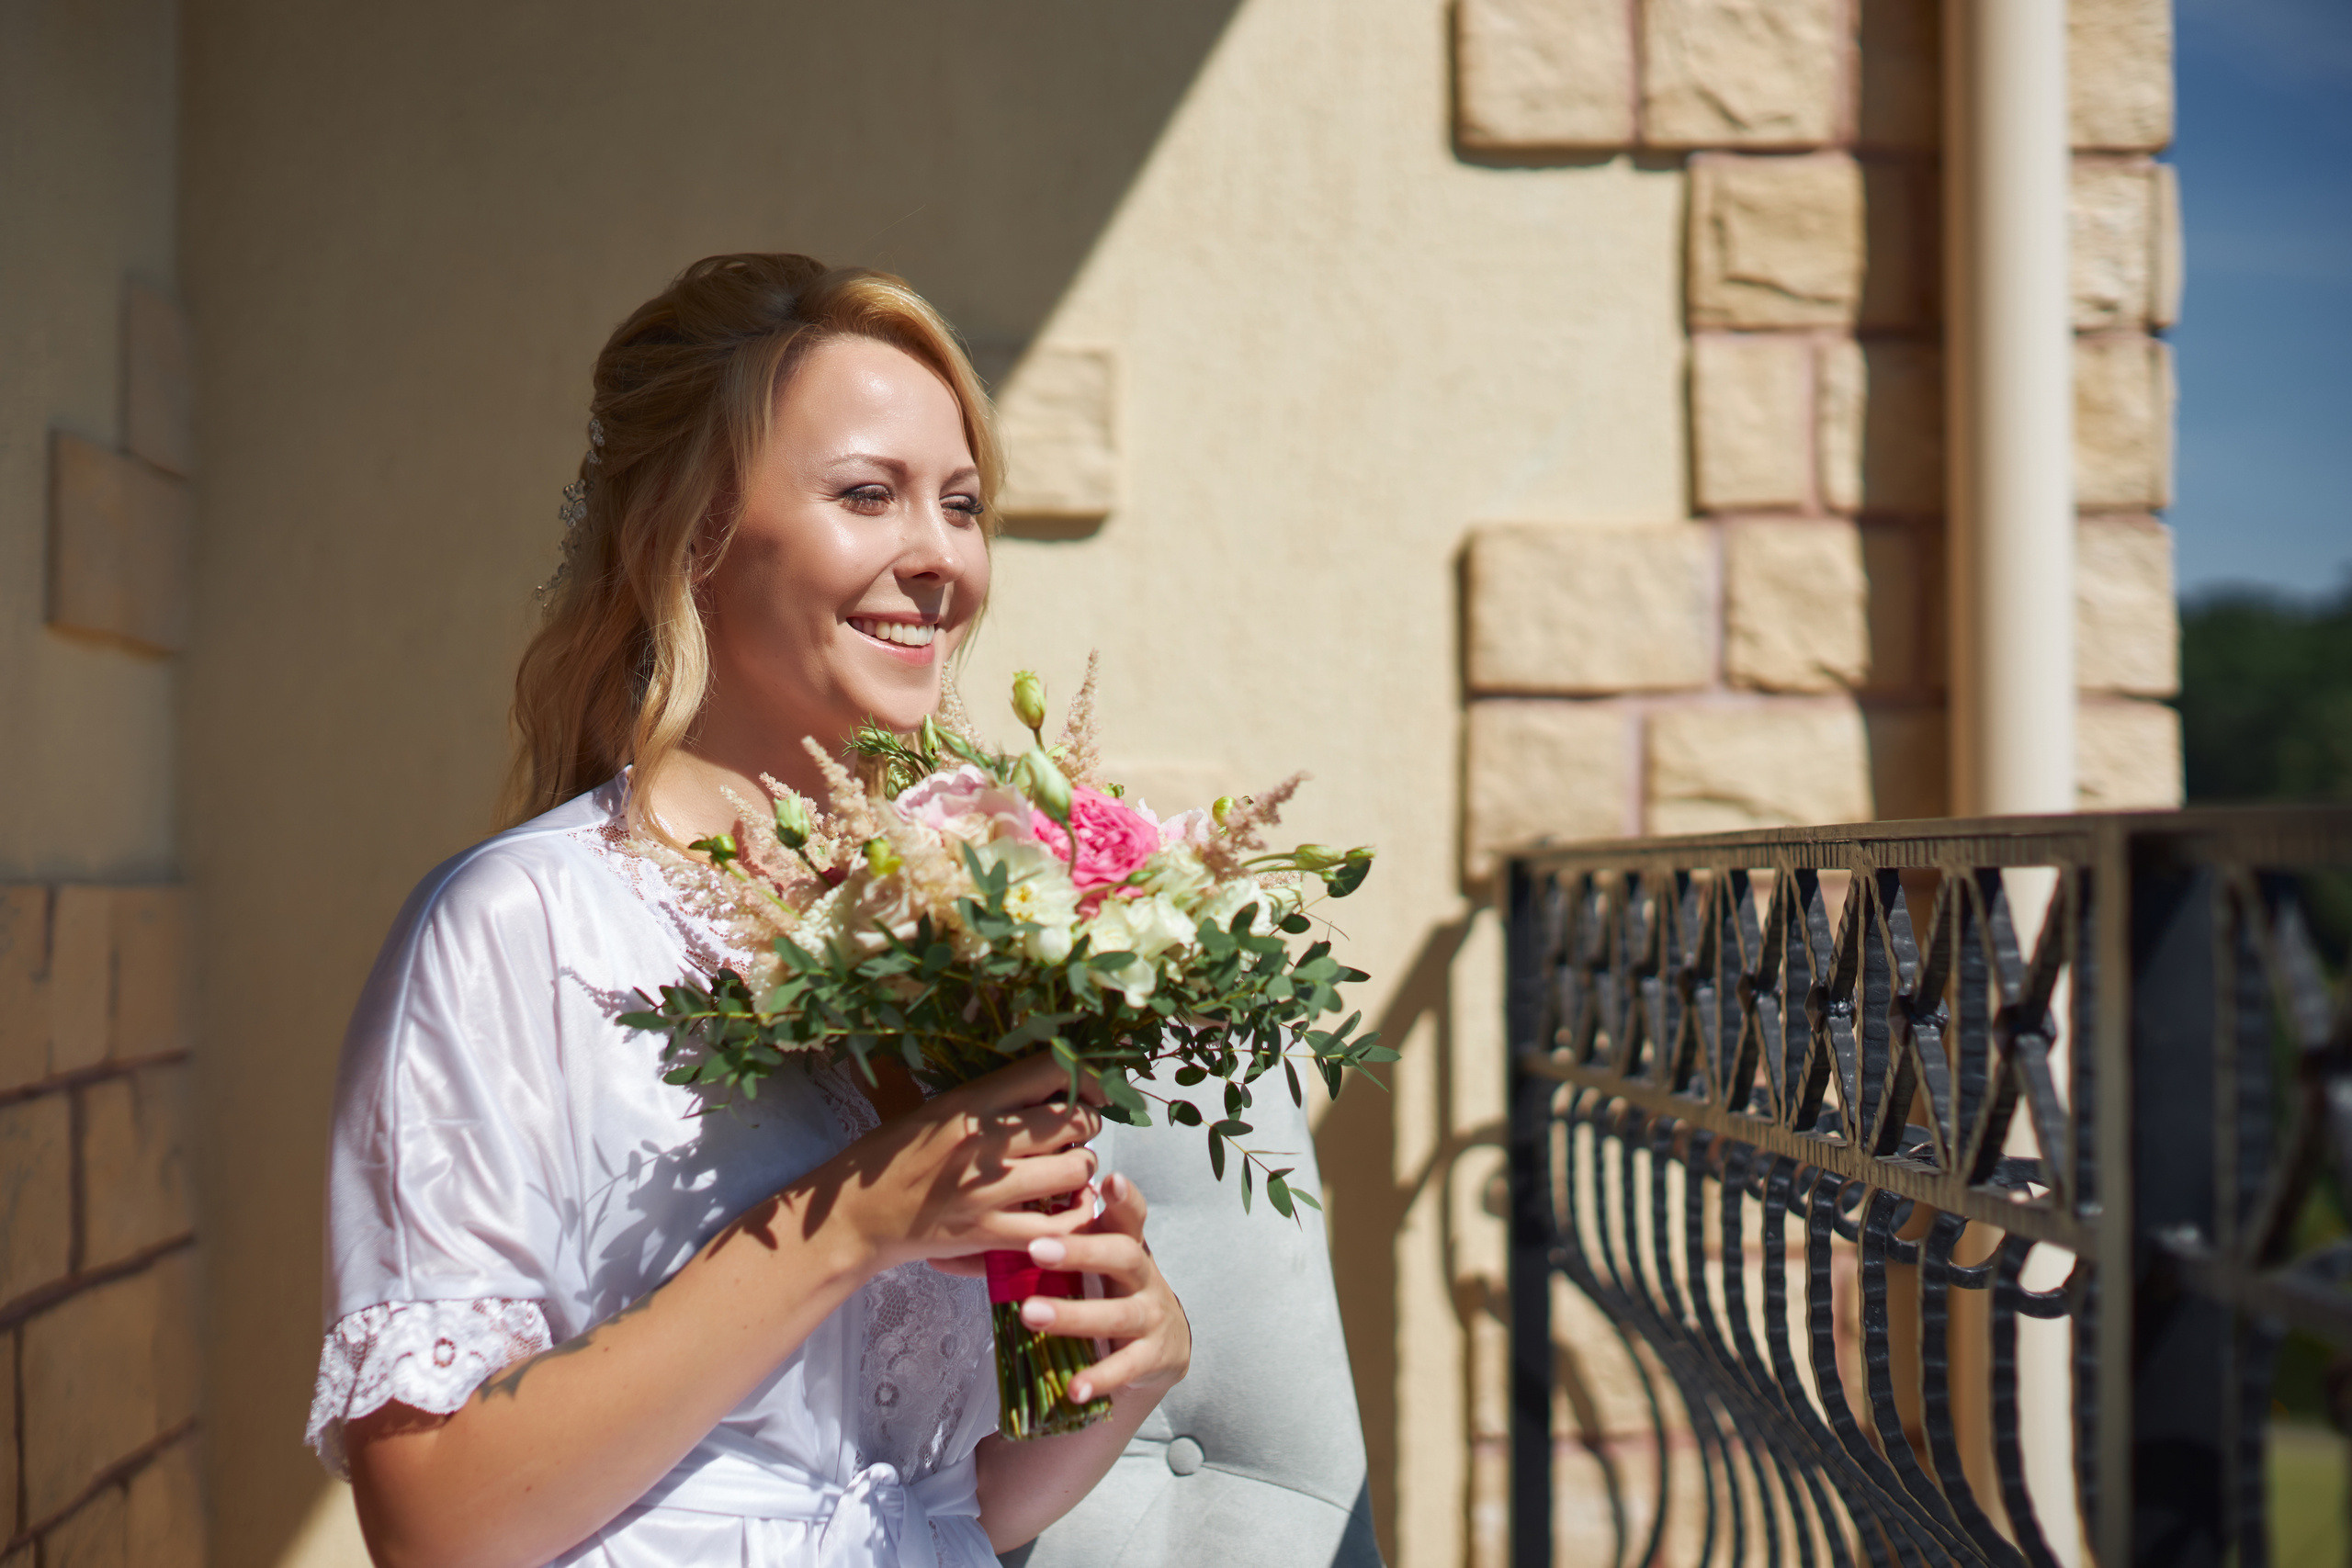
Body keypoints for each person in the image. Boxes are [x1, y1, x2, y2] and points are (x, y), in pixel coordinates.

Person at [306, 253, 1191, 1568]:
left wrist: (1117, 1370)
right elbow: (435, 1521)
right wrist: (857, 1221)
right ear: (694, 535)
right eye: (867, 496)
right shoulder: (518, 929)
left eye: (961, 503)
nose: (940, 556)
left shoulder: (965, 928)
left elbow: (937, 1500)